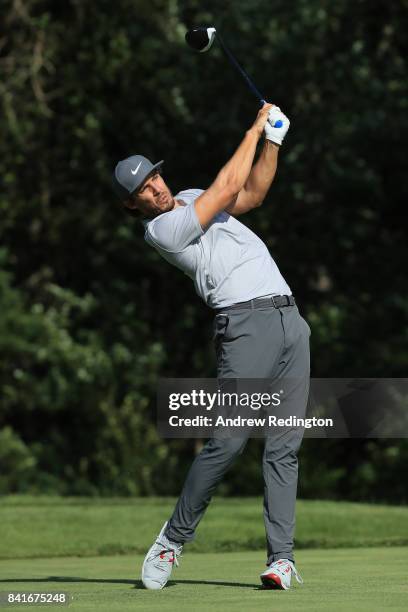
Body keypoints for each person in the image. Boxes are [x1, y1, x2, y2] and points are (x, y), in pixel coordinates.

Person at [112, 103, 310, 591]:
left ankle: (280, 559)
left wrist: (273, 144)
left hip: (290, 321)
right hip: (245, 326)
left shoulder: (189, 195)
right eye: (142, 190)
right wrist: (254, 126)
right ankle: (172, 541)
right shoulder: (160, 229)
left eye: (153, 178)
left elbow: (252, 193)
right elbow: (225, 187)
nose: (154, 188)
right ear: (133, 204)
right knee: (229, 441)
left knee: (285, 447)